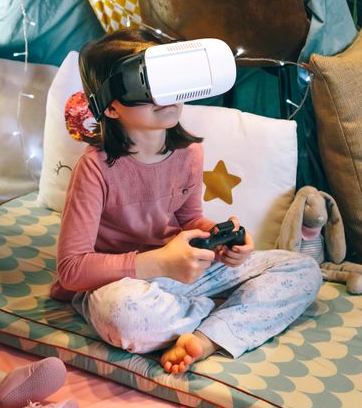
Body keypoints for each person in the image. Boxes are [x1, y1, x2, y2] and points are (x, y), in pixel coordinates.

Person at [51, 28, 322, 374]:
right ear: (112, 106)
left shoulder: (189, 152)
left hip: (184, 272)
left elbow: (188, 218)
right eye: (147, 83)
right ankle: (226, 317)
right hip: (122, 285)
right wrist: (159, 263)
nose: (166, 94)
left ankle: (204, 336)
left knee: (302, 269)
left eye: (171, 78)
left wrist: (219, 239)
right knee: (123, 315)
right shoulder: (95, 168)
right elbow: (71, 270)